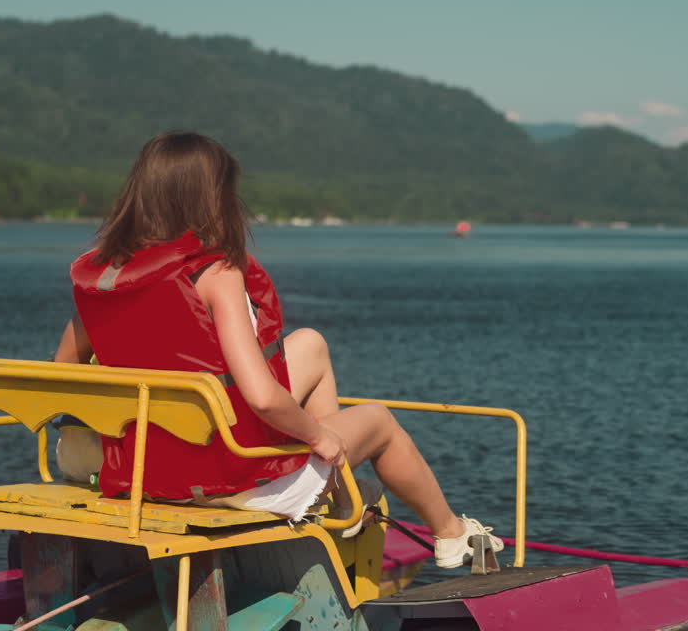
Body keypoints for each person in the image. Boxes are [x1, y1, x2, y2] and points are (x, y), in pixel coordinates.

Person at [52, 131, 502, 569]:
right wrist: (318, 436)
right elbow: (262, 397)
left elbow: (63, 371)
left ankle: (340, 497)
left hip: (140, 471)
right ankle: (449, 534)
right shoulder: (213, 274)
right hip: (228, 477)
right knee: (379, 421)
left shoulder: (104, 278)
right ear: (211, 198)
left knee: (311, 345)